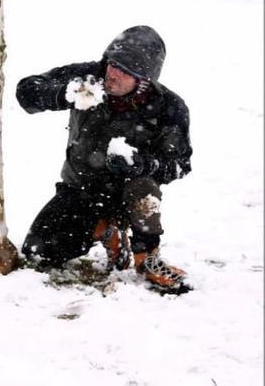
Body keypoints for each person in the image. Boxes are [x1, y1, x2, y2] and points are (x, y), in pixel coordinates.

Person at [15, 25, 192, 293]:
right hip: (79, 189)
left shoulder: (168, 107)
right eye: (112, 64)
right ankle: (105, 230)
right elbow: (26, 92)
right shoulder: (89, 77)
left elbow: (181, 165)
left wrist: (143, 164)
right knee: (37, 253)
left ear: (143, 78)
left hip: (129, 198)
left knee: (142, 186)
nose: (112, 74)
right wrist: (65, 93)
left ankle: (147, 257)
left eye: (124, 71)